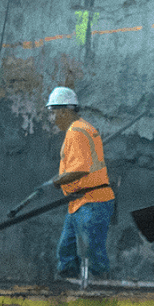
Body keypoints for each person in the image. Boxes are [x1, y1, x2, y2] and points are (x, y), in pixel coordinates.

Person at [37, 86, 113, 282]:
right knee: (67, 250)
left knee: (92, 250)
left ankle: (100, 290)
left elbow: (80, 168)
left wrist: (56, 181)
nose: (52, 118)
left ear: (64, 110)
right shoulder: (80, 129)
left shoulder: (78, 131)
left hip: (91, 201)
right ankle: (69, 287)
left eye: (53, 113)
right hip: (80, 201)